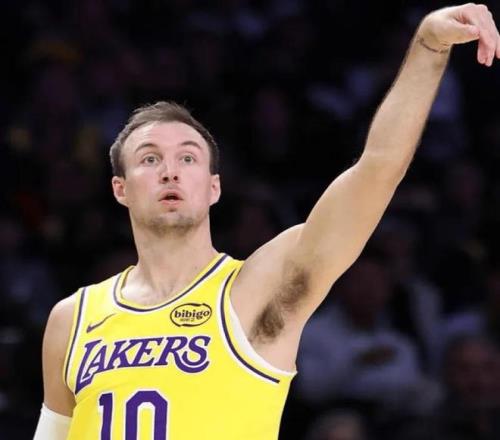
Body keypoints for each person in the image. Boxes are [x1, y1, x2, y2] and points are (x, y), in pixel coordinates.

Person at [34, 4, 500, 439]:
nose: (170, 171)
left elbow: (377, 170)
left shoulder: (256, 289)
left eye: (188, 158)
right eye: (150, 158)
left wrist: (428, 47)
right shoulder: (71, 319)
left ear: (214, 187)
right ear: (120, 188)